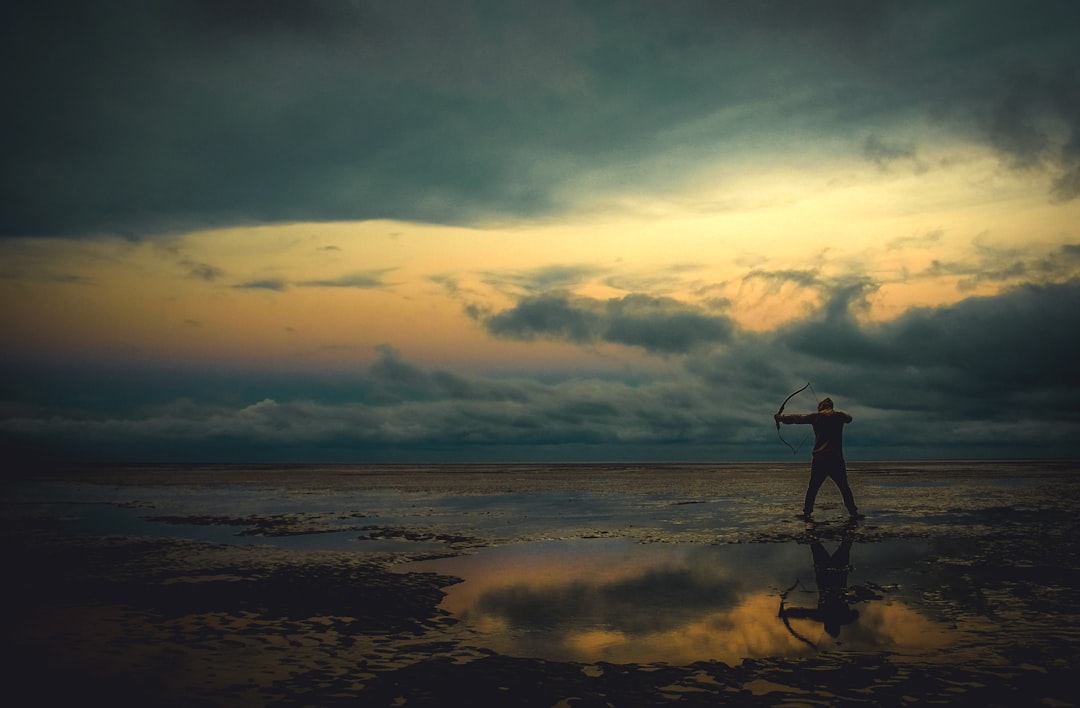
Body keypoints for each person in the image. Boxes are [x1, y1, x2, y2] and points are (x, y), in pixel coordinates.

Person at [774, 397, 863, 520]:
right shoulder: (839, 416)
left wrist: (780, 418)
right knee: (844, 487)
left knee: (813, 487)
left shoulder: (817, 417)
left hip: (820, 459)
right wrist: (837, 413)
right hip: (835, 458)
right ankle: (853, 512)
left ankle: (807, 513)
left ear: (821, 408)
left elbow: (797, 418)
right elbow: (849, 418)